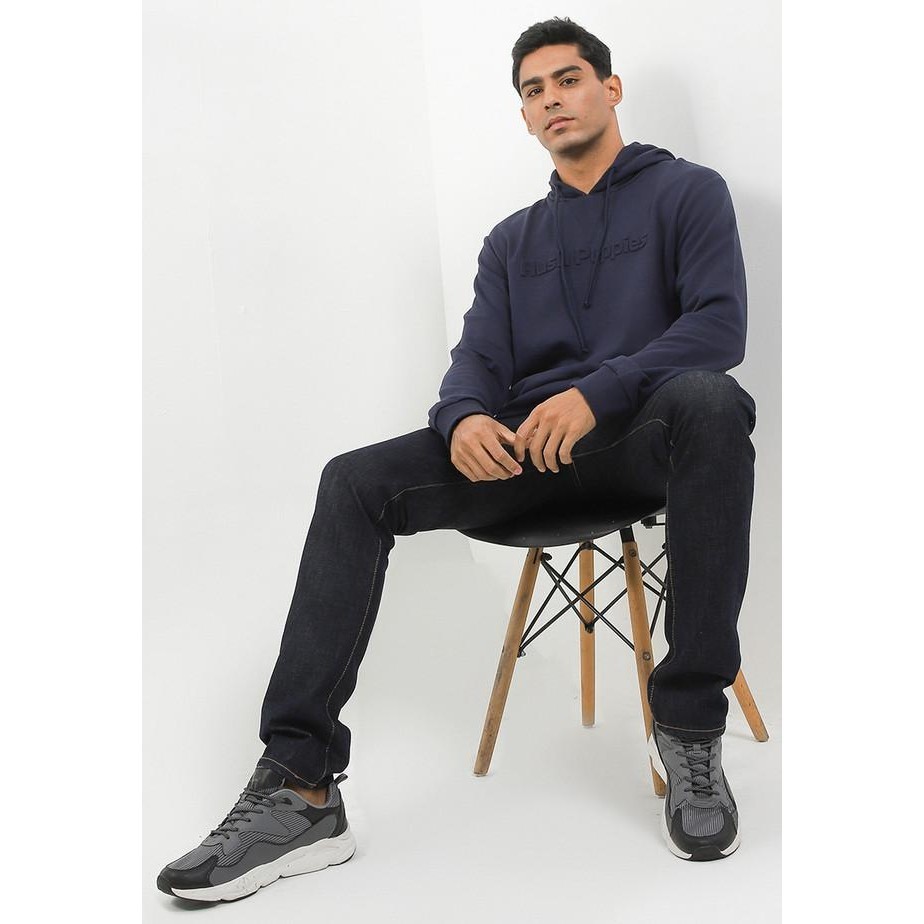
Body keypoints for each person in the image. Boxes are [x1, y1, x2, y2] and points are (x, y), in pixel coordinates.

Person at [157, 15, 758, 901]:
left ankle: (690, 730)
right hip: (523, 459)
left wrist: (598, 393)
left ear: (610, 88)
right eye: (533, 91)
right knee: (354, 480)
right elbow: (475, 356)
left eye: (567, 79)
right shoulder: (511, 242)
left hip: (634, 444)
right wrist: (463, 415)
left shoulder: (688, 193)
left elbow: (718, 327)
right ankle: (300, 786)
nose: (551, 99)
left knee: (713, 399)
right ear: (523, 115)